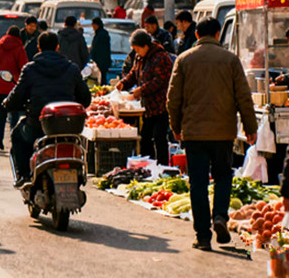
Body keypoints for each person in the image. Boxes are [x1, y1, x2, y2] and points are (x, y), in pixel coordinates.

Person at [166, 17, 258, 251]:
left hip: (194, 134)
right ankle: (220, 217)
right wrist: (250, 128)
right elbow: (244, 98)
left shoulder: (184, 60)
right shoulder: (230, 60)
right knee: (223, 177)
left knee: (197, 183)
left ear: (196, 35)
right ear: (218, 34)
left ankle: (203, 236)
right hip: (223, 133)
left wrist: (176, 128)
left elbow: (172, 99)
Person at [3, 32, 91, 185]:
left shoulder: (30, 69)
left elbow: (17, 97)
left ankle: (24, 175)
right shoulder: (72, 68)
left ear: (38, 48)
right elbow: (85, 98)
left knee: (17, 135)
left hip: (37, 126)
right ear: (58, 47)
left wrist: (8, 104)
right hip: (68, 128)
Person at [116, 30, 174, 165]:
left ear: (145, 45)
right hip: (146, 108)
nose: (136, 52)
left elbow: (160, 81)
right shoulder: (140, 58)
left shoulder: (161, 58)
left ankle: (163, 166)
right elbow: (133, 74)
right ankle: (148, 166)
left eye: (137, 49)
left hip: (160, 105)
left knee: (160, 138)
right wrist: (123, 83)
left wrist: (141, 90)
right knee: (145, 138)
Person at [0, 26, 28, 150]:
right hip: (13, 88)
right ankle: (13, 142)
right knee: (14, 116)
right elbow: (24, 68)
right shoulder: (20, 49)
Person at [90, 17, 112, 85]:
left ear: (96, 25)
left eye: (93, 25)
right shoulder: (99, 33)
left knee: (102, 80)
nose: (92, 27)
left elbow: (102, 49)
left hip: (101, 61)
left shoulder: (102, 34)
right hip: (99, 61)